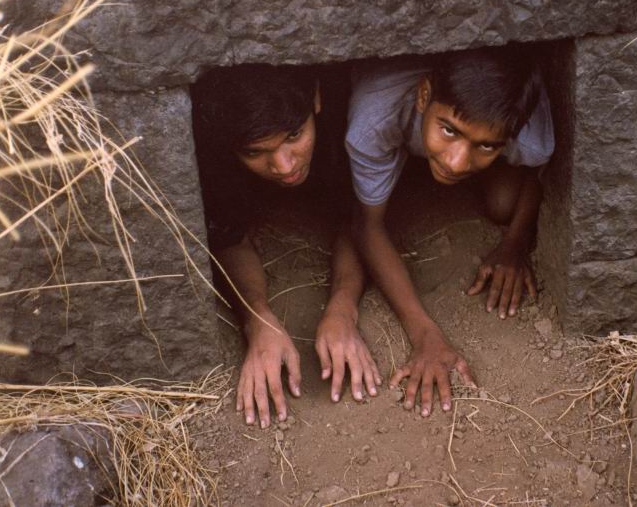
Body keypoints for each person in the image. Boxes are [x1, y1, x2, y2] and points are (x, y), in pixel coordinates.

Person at [346, 46, 555, 417]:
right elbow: (367, 224)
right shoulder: (373, 118)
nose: (457, 162)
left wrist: (515, 243)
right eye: (449, 130)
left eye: (486, 145)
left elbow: (539, 175)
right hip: (393, 119)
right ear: (424, 95)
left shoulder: (532, 137)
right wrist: (425, 334)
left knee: (504, 204)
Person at [191, 64, 381, 429]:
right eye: (254, 152)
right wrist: (257, 320)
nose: (283, 165)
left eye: (295, 135)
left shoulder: (352, 121)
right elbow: (229, 235)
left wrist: (343, 309)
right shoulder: (215, 150)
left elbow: (359, 220)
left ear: (317, 98)